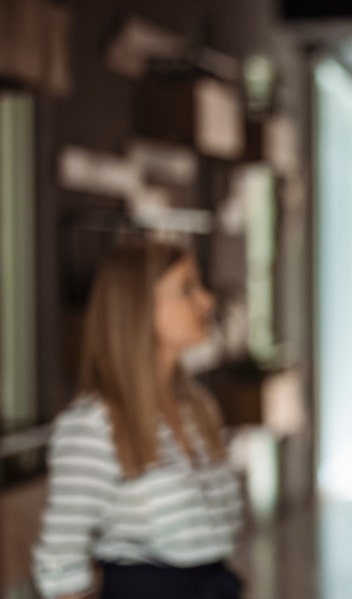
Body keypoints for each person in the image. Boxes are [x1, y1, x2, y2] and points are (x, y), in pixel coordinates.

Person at [32, 242, 243, 599]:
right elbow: (59, 564)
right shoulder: (92, 426)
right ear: (140, 307)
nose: (206, 301)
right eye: (187, 289)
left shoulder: (199, 409)